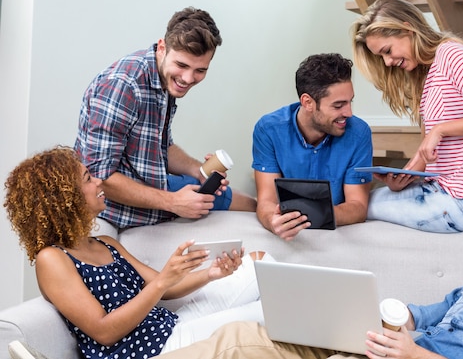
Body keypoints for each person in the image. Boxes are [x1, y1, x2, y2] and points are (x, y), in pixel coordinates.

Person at [152, 205, 463, 359]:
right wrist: (379, 311)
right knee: (242, 337)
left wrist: (414, 354)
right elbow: (420, 316)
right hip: (385, 346)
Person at [3, 147, 271, 359]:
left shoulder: (106, 243)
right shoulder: (52, 258)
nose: (99, 182)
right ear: (65, 198)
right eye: (88, 178)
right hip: (147, 350)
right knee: (267, 316)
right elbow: (104, 332)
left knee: (263, 265)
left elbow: (165, 289)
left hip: (169, 325)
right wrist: (164, 280)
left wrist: (212, 274)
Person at [74, 6, 256, 234]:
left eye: (200, 70)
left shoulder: (162, 80)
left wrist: (197, 170)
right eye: (181, 65)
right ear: (162, 47)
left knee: (251, 204)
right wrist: (173, 202)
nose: (188, 78)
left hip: (153, 181)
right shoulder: (123, 87)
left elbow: (161, 146)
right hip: (117, 210)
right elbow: (101, 177)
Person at [350, 0, 463, 233]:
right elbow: (430, 152)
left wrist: (439, 130)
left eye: (387, 51)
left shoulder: (453, 55)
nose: (387, 62)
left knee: (355, 209)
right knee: (357, 202)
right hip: (440, 191)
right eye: (381, 57)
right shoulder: (428, 74)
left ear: (407, 28)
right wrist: (403, 178)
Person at [252, 53, 373, 240]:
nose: (349, 112)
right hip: (289, 228)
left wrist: (314, 215)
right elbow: (266, 200)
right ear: (308, 102)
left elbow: (357, 206)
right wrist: (272, 220)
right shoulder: (269, 129)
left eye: (350, 102)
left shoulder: (359, 133)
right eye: (338, 105)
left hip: (335, 228)